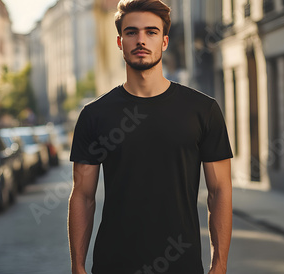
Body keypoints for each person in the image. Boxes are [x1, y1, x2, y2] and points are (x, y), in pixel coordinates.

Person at [68, 0, 233, 273]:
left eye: (151, 32)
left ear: (164, 41)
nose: (141, 40)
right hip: (114, 266)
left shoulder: (203, 110)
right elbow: (83, 196)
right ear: (120, 42)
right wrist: (78, 266)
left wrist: (220, 264)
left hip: (182, 265)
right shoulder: (94, 115)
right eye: (131, 32)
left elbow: (219, 191)